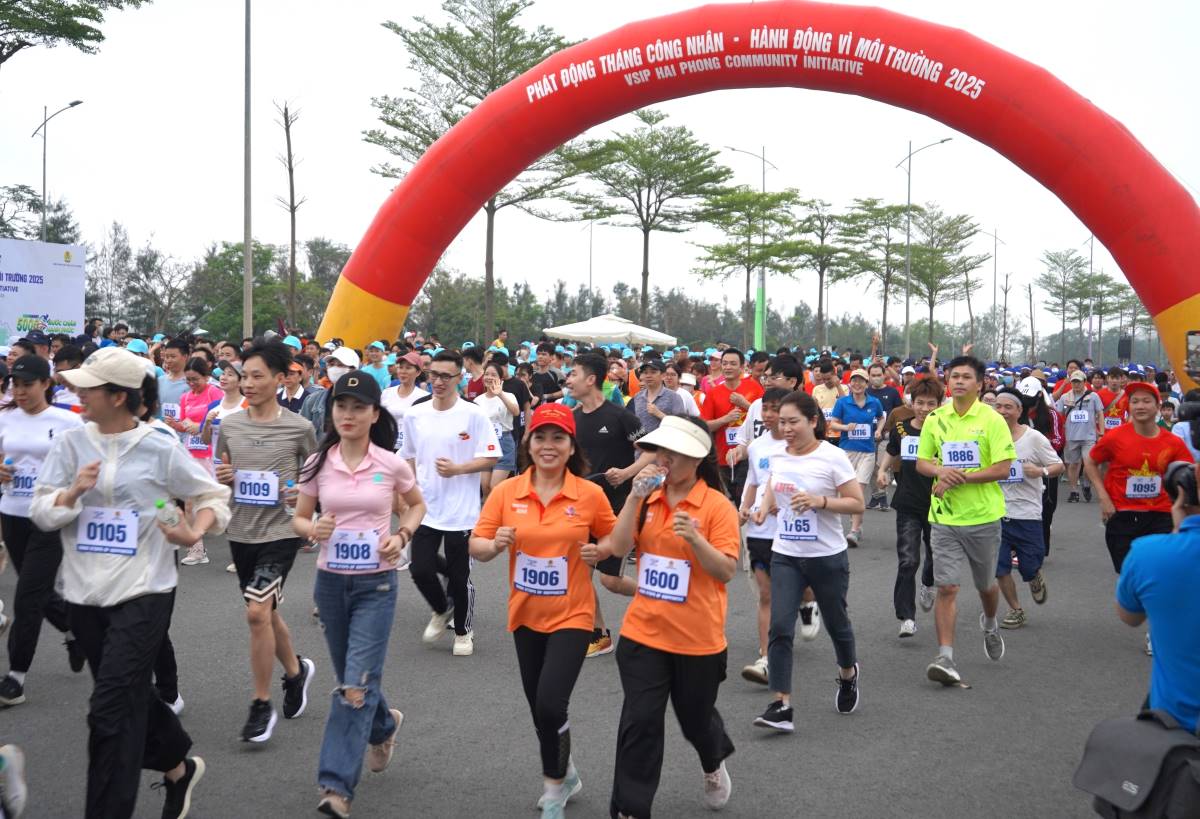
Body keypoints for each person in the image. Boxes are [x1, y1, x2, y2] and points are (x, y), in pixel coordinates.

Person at [31, 347, 228, 819]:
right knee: (127, 694)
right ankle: (178, 764)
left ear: (118, 397)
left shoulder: (159, 445)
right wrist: (73, 492)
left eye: (88, 388)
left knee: (108, 712)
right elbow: (42, 511)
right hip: (84, 592)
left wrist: (193, 531)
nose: (76, 393)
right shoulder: (70, 444)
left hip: (146, 588)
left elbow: (210, 495)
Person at [582, 415, 738, 817]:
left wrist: (696, 539)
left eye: (672, 452)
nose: (662, 459)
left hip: (697, 636)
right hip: (643, 632)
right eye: (658, 450)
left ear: (696, 457)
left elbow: (724, 571)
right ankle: (631, 808)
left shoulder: (717, 506)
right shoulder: (648, 497)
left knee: (696, 719)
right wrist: (634, 496)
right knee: (641, 721)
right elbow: (616, 546)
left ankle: (712, 759)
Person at [471, 404, 618, 818]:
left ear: (572, 446)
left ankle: (553, 787)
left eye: (558, 438)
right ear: (528, 444)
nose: (548, 446)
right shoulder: (507, 492)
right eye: (541, 437)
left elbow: (616, 540)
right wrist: (494, 544)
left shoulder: (589, 494)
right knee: (540, 707)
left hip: (573, 615)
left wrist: (600, 550)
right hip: (525, 614)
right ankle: (566, 771)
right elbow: (477, 547)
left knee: (552, 703)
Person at [293, 371, 426, 819]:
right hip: (330, 584)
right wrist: (313, 529)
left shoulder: (390, 464)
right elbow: (299, 518)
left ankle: (335, 789)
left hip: (377, 584)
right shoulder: (318, 462)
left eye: (357, 407)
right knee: (357, 678)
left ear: (374, 414)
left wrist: (402, 534)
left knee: (352, 687)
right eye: (340, 406)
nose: (347, 414)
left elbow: (417, 504)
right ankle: (384, 725)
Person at [214, 340, 319, 743]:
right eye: (244, 375)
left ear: (280, 379)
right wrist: (223, 478)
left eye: (258, 376)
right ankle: (296, 672)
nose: (249, 383)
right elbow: (222, 471)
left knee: (257, 613)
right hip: (241, 532)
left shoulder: (300, 427)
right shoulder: (230, 425)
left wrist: (302, 496)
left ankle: (261, 704)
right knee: (268, 613)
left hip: (281, 532)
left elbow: (315, 477)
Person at [751, 391, 863, 733]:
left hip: (826, 557)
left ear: (813, 421)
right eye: (781, 422)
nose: (785, 428)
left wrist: (819, 501)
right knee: (781, 627)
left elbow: (856, 503)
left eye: (793, 422)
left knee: (836, 623)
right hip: (785, 553)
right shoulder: (778, 454)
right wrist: (763, 506)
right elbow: (774, 482)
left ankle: (848, 673)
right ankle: (781, 704)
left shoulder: (832, 457)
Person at [916, 355, 1016, 686]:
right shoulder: (935, 418)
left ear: (980, 383)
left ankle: (989, 622)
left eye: (965, 377)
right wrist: (940, 471)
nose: (958, 381)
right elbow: (922, 463)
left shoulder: (991, 420)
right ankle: (945, 656)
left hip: (984, 517)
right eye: (954, 376)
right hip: (943, 516)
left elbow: (1003, 467)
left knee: (986, 585)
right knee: (947, 586)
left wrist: (961, 477)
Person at [400, 350, 499, 657]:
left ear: (460, 378)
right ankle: (442, 609)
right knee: (420, 569)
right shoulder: (415, 413)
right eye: (434, 375)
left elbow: (492, 456)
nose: (438, 381)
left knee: (459, 577)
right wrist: (406, 498)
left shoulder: (474, 414)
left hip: (462, 511)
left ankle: (463, 631)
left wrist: (458, 469)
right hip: (426, 507)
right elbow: (408, 457)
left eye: (446, 376)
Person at [0, 356, 86, 708]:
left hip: (51, 518)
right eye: (14, 385)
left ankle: (16, 677)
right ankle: (74, 630)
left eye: (27, 385)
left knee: (26, 597)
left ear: (46, 384)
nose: (19, 391)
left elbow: (85, 463)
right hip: (13, 513)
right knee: (37, 592)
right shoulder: (4, 418)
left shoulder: (67, 421)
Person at [565, 354, 654, 658]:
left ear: (591, 379)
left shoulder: (620, 416)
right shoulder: (572, 418)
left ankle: (658, 598)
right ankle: (599, 634)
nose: (568, 379)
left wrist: (626, 473)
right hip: (580, 506)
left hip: (616, 507)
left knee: (611, 580)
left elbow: (650, 453)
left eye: (573, 374)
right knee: (579, 574)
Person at [1115, 464, 1200, 732]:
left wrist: (1179, 528)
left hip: (1176, 723)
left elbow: (1130, 616)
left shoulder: (1148, 554)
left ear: (1180, 496)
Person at [1084, 381, 1194, 574]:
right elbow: (1091, 462)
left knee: (1157, 572)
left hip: (1161, 515)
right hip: (1122, 514)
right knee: (1129, 573)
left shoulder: (1173, 443)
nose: (1140, 406)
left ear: (1158, 406)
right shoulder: (1115, 437)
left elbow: (1188, 474)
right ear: (1129, 406)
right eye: (1135, 401)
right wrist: (1103, 497)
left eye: (1146, 401)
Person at [991, 389, 1064, 629]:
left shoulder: (1033, 438)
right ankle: (1016, 609)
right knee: (999, 567)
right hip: (995, 513)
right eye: (998, 406)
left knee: (1029, 565)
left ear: (1019, 411)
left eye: (1008, 407)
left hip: (1028, 514)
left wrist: (1040, 471)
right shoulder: (987, 438)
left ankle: (1033, 577)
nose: (1002, 412)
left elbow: (1058, 465)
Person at [876, 376, 942, 638]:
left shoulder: (945, 429)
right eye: (920, 403)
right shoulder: (902, 428)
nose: (925, 409)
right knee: (908, 560)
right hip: (908, 501)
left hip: (940, 503)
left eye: (931, 404)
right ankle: (906, 616)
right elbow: (892, 451)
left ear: (939, 404)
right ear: (911, 403)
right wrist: (882, 471)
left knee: (935, 554)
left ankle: (929, 583)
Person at [736, 388, 793, 685]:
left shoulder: (801, 447)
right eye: (766, 409)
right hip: (759, 532)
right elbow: (752, 481)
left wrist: (779, 505)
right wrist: (745, 507)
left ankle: (808, 605)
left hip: (793, 533)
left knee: (802, 592)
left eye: (776, 409)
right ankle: (766, 657)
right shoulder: (757, 446)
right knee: (766, 595)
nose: (770, 415)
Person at [167, 357, 224, 565]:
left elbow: (222, 419)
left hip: (212, 452)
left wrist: (200, 427)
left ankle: (241, 545)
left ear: (206, 376)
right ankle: (197, 549)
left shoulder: (215, 392)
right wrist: (176, 424)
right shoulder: (185, 397)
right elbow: (184, 423)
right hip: (192, 452)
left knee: (223, 499)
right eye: (188, 380)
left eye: (195, 380)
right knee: (190, 502)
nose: (191, 384)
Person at [827, 369, 885, 548]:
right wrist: (845, 427)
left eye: (861, 381)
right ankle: (854, 525)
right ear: (850, 384)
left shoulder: (874, 402)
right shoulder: (843, 402)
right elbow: (833, 424)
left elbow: (881, 418)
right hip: (846, 452)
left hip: (867, 452)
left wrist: (878, 430)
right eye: (854, 381)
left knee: (858, 492)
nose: (857, 384)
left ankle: (854, 530)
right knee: (846, 492)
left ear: (867, 384)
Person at [700, 348, 763, 503]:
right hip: (723, 457)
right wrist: (725, 419)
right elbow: (704, 425)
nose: (728, 367)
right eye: (725, 363)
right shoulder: (714, 393)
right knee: (725, 502)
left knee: (744, 499)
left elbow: (765, 418)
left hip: (749, 454)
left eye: (733, 364)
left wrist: (745, 404)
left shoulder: (754, 388)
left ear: (742, 367)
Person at [1056, 369, 1104, 503]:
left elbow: (1100, 413)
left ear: (1084, 382)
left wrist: (1102, 432)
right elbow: (1058, 414)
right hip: (1071, 436)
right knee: (1073, 464)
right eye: (1073, 382)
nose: (1076, 384)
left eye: (1078, 382)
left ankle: (1087, 484)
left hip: (1089, 436)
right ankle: (1073, 491)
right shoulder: (1065, 397)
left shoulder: (1093, 396)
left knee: (1089, 463)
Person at [477, 360, 520, 496]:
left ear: (500, 379)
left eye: (493, 375)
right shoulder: (478, 400)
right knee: (485, 487)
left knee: (494, 487)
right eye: (486, 374)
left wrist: (500, 394)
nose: (489, 377)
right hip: (485, 444)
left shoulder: (508, 396)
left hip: (504, 442)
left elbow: (516, 412)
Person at [865, 362, 903, 510]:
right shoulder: (865, 392)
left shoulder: (892, 392)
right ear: (869, 377)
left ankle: (883, 498)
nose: (876, 378)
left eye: (879, 375)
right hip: (867, 436)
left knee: (882, 466)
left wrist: (891, 432)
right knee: (871, 468)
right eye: (873, 375)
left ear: (884, 376)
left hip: (886, 437)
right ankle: (876, 497)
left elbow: (898, 413)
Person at [630, 359, 684, 434]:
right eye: (645, 373)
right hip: (641, 444)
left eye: (653, 372)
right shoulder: (638, 397)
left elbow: (681, 425)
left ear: (663, 376)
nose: (648, 376)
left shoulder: (674, 397)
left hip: (664, 444)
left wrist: (659, 414)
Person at [157, 339, 190, 426]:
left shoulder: (192, 383)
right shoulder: (159, 381)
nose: (169, 360)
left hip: (183, 436)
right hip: (162, 434)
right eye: (167, 357)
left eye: (173, 356)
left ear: (185, 357)